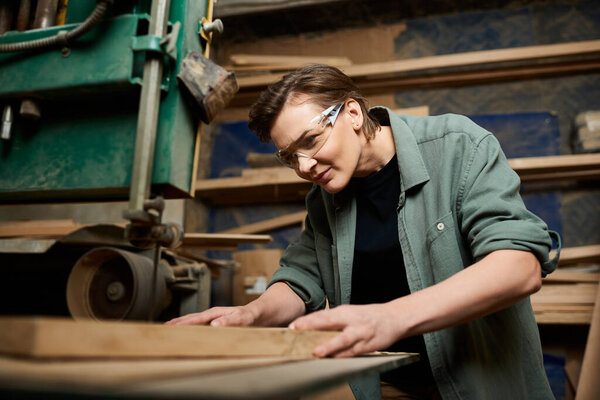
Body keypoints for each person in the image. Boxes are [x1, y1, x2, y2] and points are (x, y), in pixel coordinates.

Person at [167, 64, 561, 400]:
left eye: (310, 140)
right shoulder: (323, 199)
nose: (304, 166)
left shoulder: (458, 147)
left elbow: (518, 266)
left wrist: (390, 318)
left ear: (353, 113)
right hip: (390, 388)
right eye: (290, 156)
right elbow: (303, 276)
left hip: (483, 386)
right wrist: (251, 314)